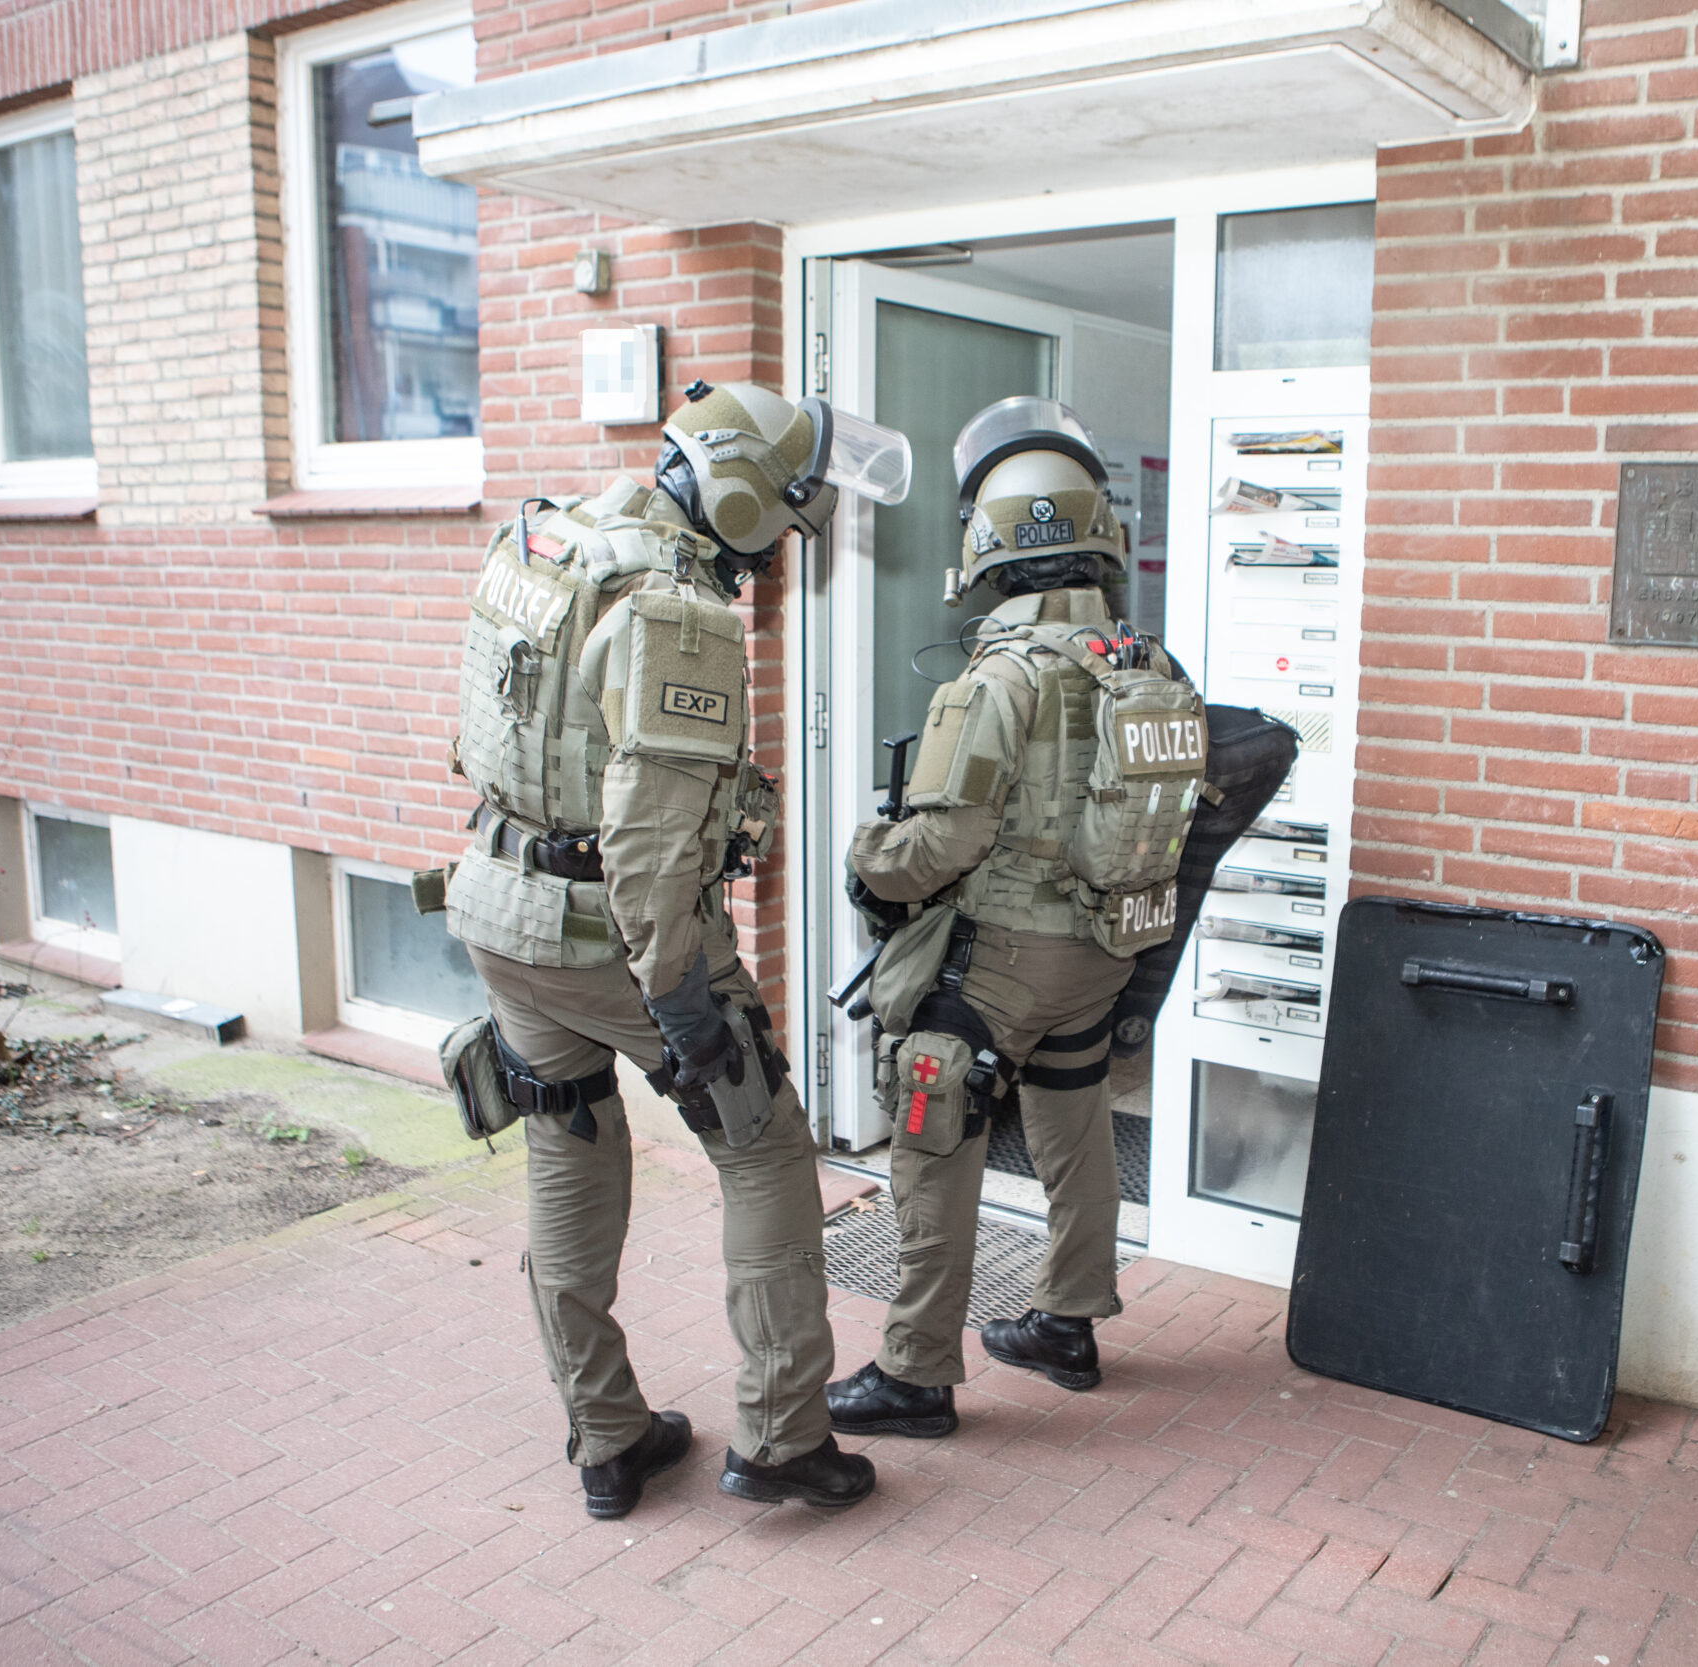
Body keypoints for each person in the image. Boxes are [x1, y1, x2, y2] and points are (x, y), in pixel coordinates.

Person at [439, 381, 908, 1515]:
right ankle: (785, 1438)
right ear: (743, 498)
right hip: (617, 937)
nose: (786, 549)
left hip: (501, 915)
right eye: (787, 521)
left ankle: (606, 1438)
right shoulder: (678, 615)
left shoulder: (554, 538)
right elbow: (650, 848)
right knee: (764, 1154)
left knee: (567, 1143)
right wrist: (685, 1000)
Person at [825, 398, 1206, 1438]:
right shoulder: (1148, 667)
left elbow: (941, 845)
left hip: (1000, 963)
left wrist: (868, 860)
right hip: (1105, 948)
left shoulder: (998, 678)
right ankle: (1070, 1323)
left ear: (987, 546)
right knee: (1074, 1126)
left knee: (929, 1138)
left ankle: (912, 1374)